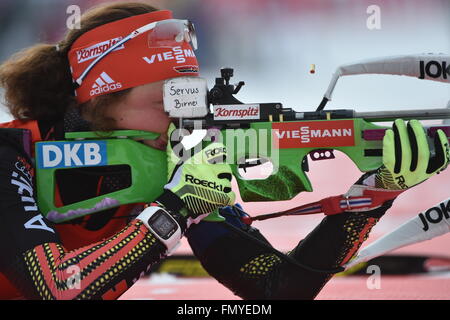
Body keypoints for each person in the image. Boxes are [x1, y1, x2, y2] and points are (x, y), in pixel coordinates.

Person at [0, 2, 448, 300]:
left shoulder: (181, 159)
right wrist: (173, 210)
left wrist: (374, 193)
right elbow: (56, 287)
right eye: (168, 104)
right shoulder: (10, 156)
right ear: (99, 104)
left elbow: (277, 288)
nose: (188, 120)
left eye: (193, 100)